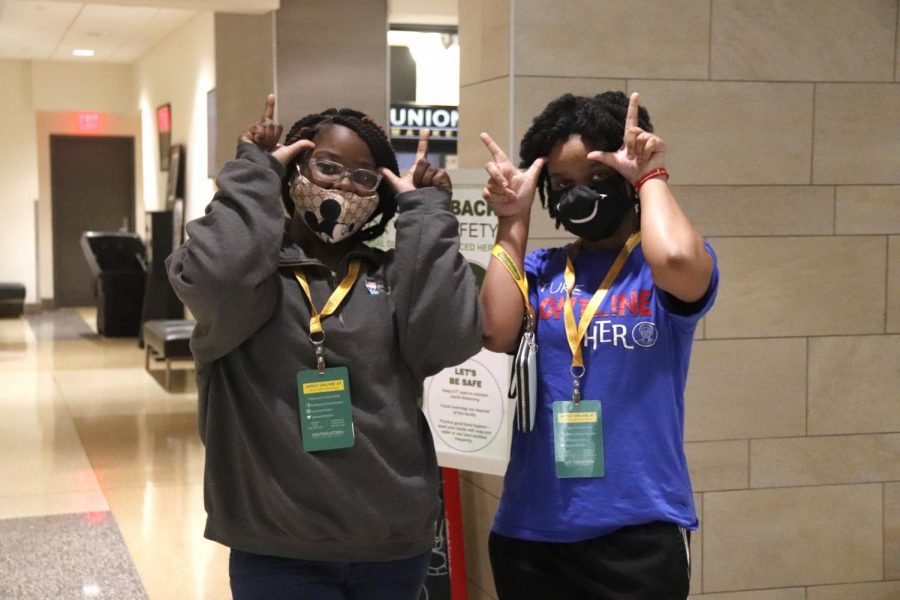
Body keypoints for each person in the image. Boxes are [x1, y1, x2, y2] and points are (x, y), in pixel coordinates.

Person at [167, 95, 482, 600]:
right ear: (296, 170)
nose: (342, 184)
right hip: (279, 546)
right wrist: (256, 170)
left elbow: (449, 339)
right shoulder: (253, 280)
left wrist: (425, 212)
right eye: (328, 166)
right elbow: (213, 278)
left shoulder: (389, 276)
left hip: (393, 542)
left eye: (364, 177)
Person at [478, 91, 718, 599]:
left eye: (597, 179)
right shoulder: (542, 271)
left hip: (637, 533)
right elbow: (495, 330)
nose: (579, 197)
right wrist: (513, 219)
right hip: (531, 532)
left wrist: (650, 175)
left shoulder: (656, 273)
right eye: (562, 185)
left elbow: (676, 258)